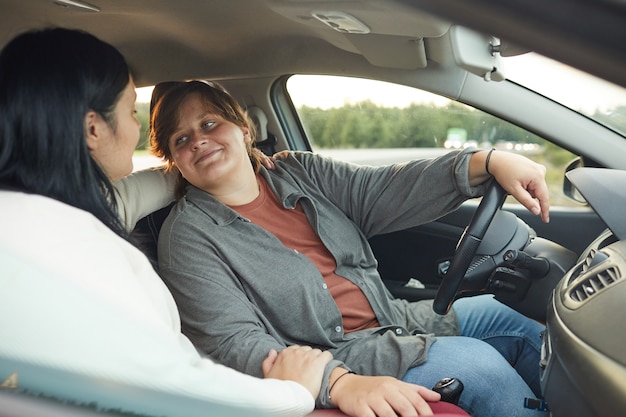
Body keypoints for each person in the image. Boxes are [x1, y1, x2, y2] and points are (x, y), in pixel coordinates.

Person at [149, 80, 551, 417]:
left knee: (524, 317)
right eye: (181, 138)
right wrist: (335, 382)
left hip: (397, 317)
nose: (199, 140)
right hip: (341, 355)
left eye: (209, 123)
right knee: (482, 369)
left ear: (243, 130)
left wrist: (484, 162)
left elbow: (384, 189)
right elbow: (231, 343)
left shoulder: (298, 172)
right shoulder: (187, 236)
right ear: (174, 161)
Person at [0, 27, 337, 417]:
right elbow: (173, 389)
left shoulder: (39, 217)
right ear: (93, 128)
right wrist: (294, 391)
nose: (136, 128)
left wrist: (223, 159)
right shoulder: (78, 247)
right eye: (130, 111)